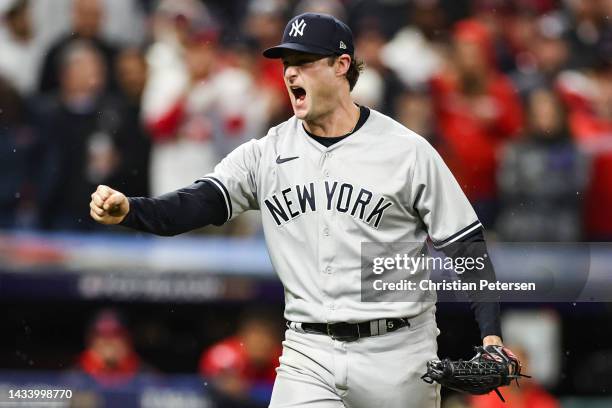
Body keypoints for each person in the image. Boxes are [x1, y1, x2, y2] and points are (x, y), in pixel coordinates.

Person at [90, 13, 513, 407]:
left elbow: (466, 246)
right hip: (308, 352)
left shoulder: (407, 151)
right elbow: (197, 204)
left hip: (398, 352)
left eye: (305, 61)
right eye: (286, 62)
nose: (290, 72)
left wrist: (491, 337)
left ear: (341, 65)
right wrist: (132, 210)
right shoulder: (267, 153)